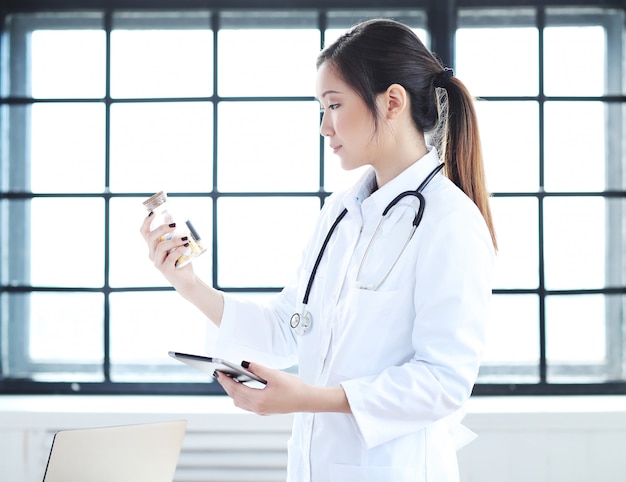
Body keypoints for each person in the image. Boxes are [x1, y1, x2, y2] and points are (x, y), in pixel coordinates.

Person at [141, 18, 497, 482]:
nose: (325, 126)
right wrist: (188, 285)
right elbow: (291, 327)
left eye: (334, 105)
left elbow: (443, 382)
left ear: (392, 102)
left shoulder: (451, 222)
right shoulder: (341, 212)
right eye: (321, 109)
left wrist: (309, 398)